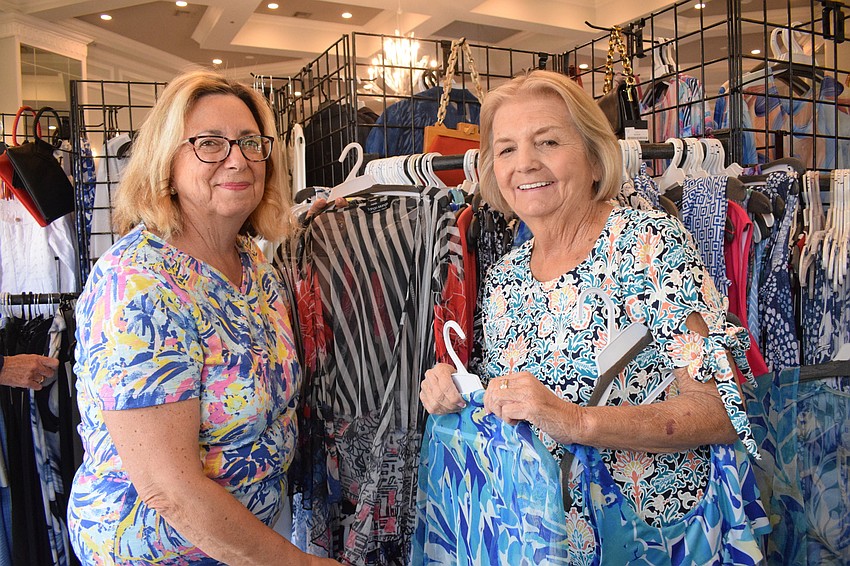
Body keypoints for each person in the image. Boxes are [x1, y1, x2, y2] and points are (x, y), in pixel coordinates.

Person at [419, 70, 769, 564]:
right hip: (546, 543)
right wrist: (459, 393)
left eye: (548, 141)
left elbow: (720, 410)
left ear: (593, 156)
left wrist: (578, 421)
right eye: (506, 149)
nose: (526, 164)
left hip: (655, 542)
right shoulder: (504, 280)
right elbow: (519, 413)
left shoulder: (647, 245)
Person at [68, 69, 337, 565]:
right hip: (158, 552)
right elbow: (166, 488)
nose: (237, 159)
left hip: (247, 542)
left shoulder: (256, 266)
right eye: (209, 143)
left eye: (251, 142)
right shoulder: (138, 284)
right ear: (165, 160)